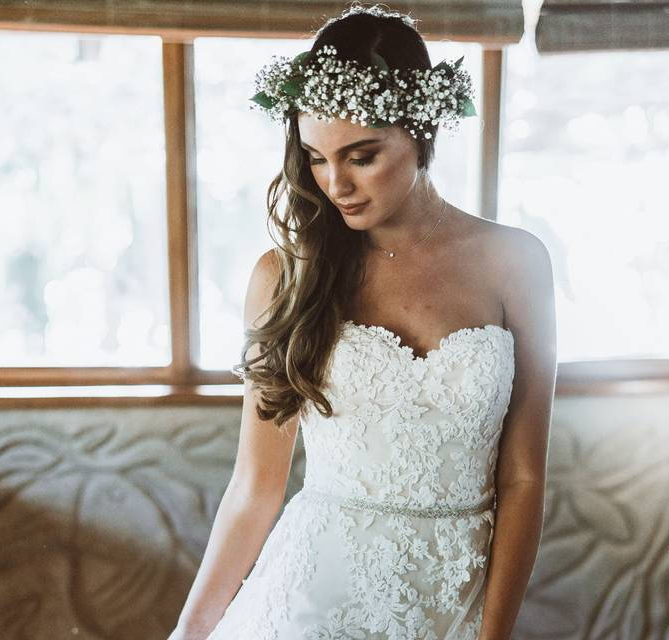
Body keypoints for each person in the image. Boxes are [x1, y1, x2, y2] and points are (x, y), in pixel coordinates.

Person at [171, 3, 557, 639]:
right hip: (309, 600)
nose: (335, 183)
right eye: (316, 158)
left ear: (423, 127)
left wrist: (493, 634)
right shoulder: (286, 276)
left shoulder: (515, 262)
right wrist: (187, 633)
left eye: (362, 154)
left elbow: (522, 477)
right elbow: (256, 486)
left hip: (453, 603)